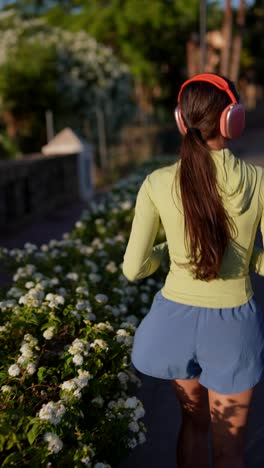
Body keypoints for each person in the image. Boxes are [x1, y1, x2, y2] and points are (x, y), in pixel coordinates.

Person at [122, 73, 264, 468]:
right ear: (232, 119)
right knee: (230, 448)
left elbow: (133, 268)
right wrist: (249, 256)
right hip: (233, 326)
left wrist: (168, 254)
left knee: (193, 423)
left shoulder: (157, 182)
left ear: (181, 122)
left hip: (174, 319)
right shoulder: (259, 182)